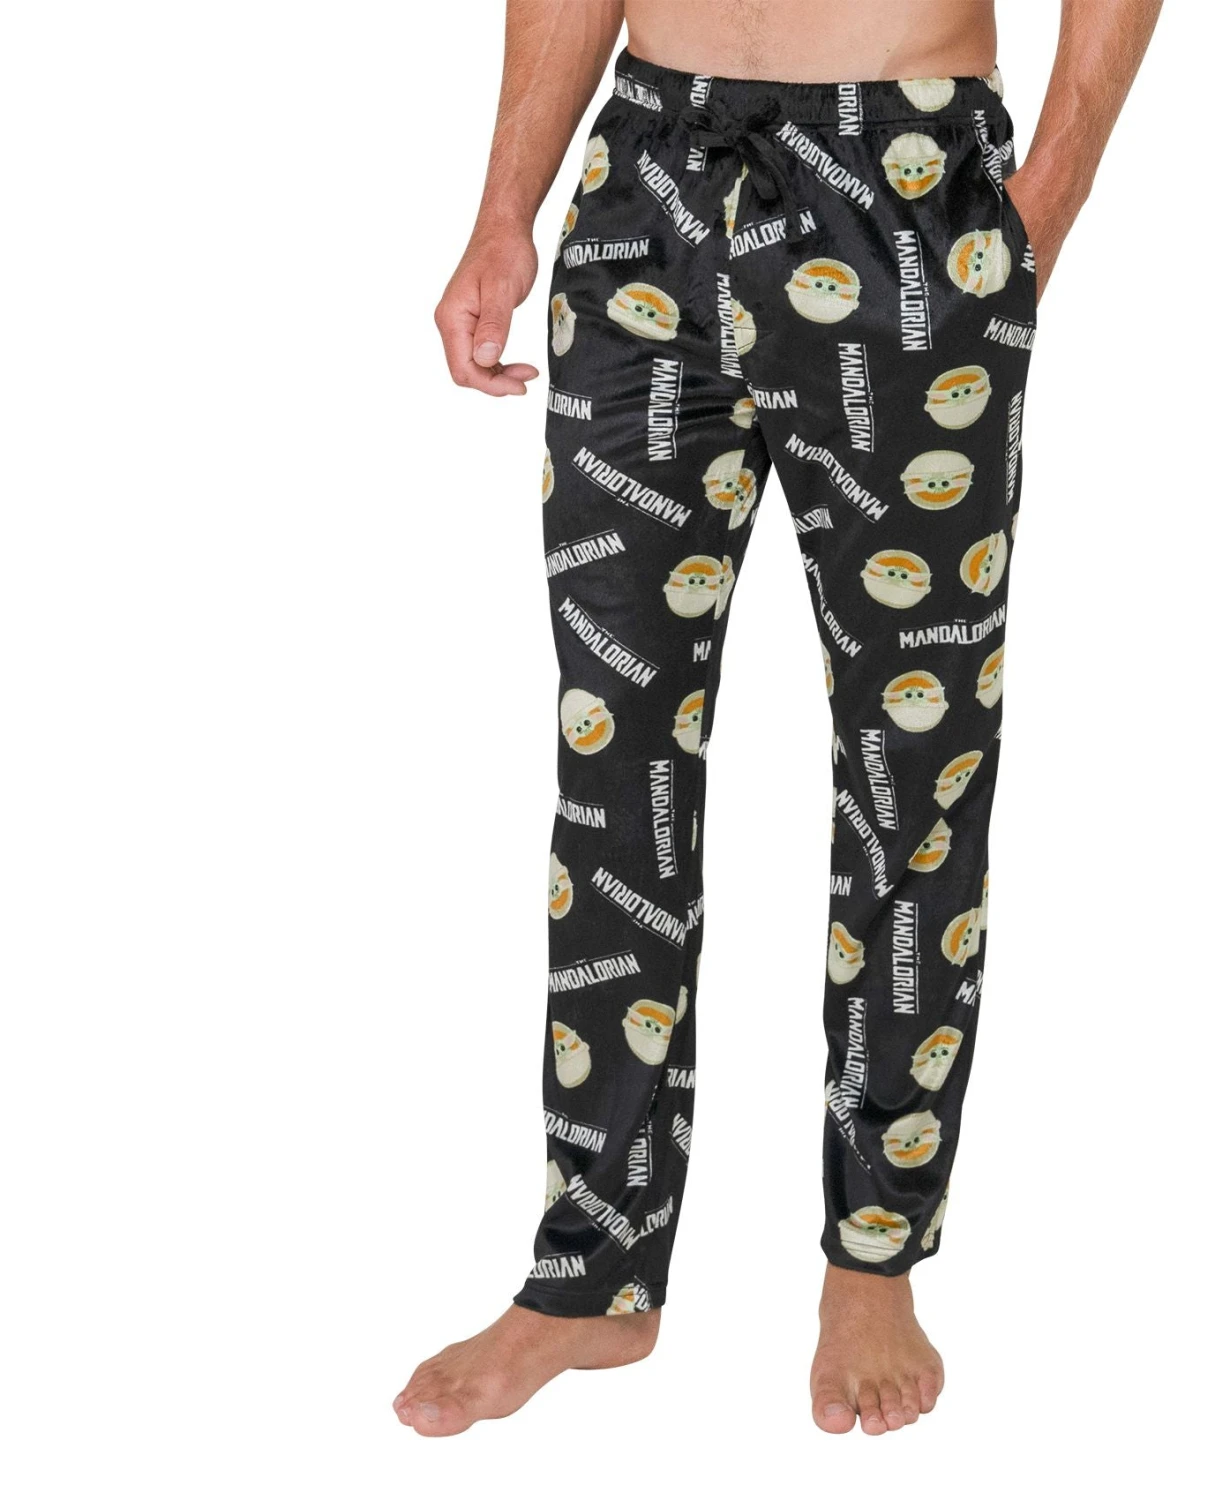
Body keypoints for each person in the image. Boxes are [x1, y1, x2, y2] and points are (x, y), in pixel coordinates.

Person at [394, 0, 1161, 1439]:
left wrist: (1046, 193)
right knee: (612, 764)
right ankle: (593, 1271)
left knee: (911, 770)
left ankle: (874, 1256)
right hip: (646, 182)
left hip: (905, 183)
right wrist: (505, 209)